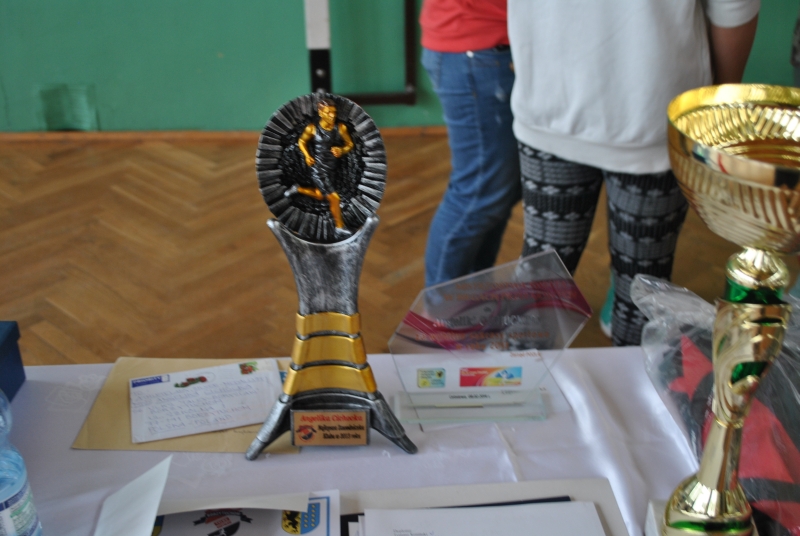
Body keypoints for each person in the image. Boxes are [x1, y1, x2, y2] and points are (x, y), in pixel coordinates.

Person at [507, 0, 760, 346]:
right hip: (652, 110)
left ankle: (515, 376)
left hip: (553, 98)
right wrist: (715, 109)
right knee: (642, 288)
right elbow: (733, 10)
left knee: (542, 280)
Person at [420, 0, 521, 287]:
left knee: (499, 190)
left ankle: (469, 297)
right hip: (477, 50)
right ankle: (441, 311)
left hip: (485, 48)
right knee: (479, 193)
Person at [288, 99, 354, 237]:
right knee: (334, 198)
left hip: (331, 169)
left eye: (334, 112)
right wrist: (307, 155)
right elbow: (302, 141)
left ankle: (298, 189)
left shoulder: (340, 128)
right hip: (318, 169)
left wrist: (342, 150)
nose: (332, 115)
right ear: (320, 113)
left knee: (319, 195)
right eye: (328, 112)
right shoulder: (312, 128)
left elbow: (350, 144)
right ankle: (339, 227)